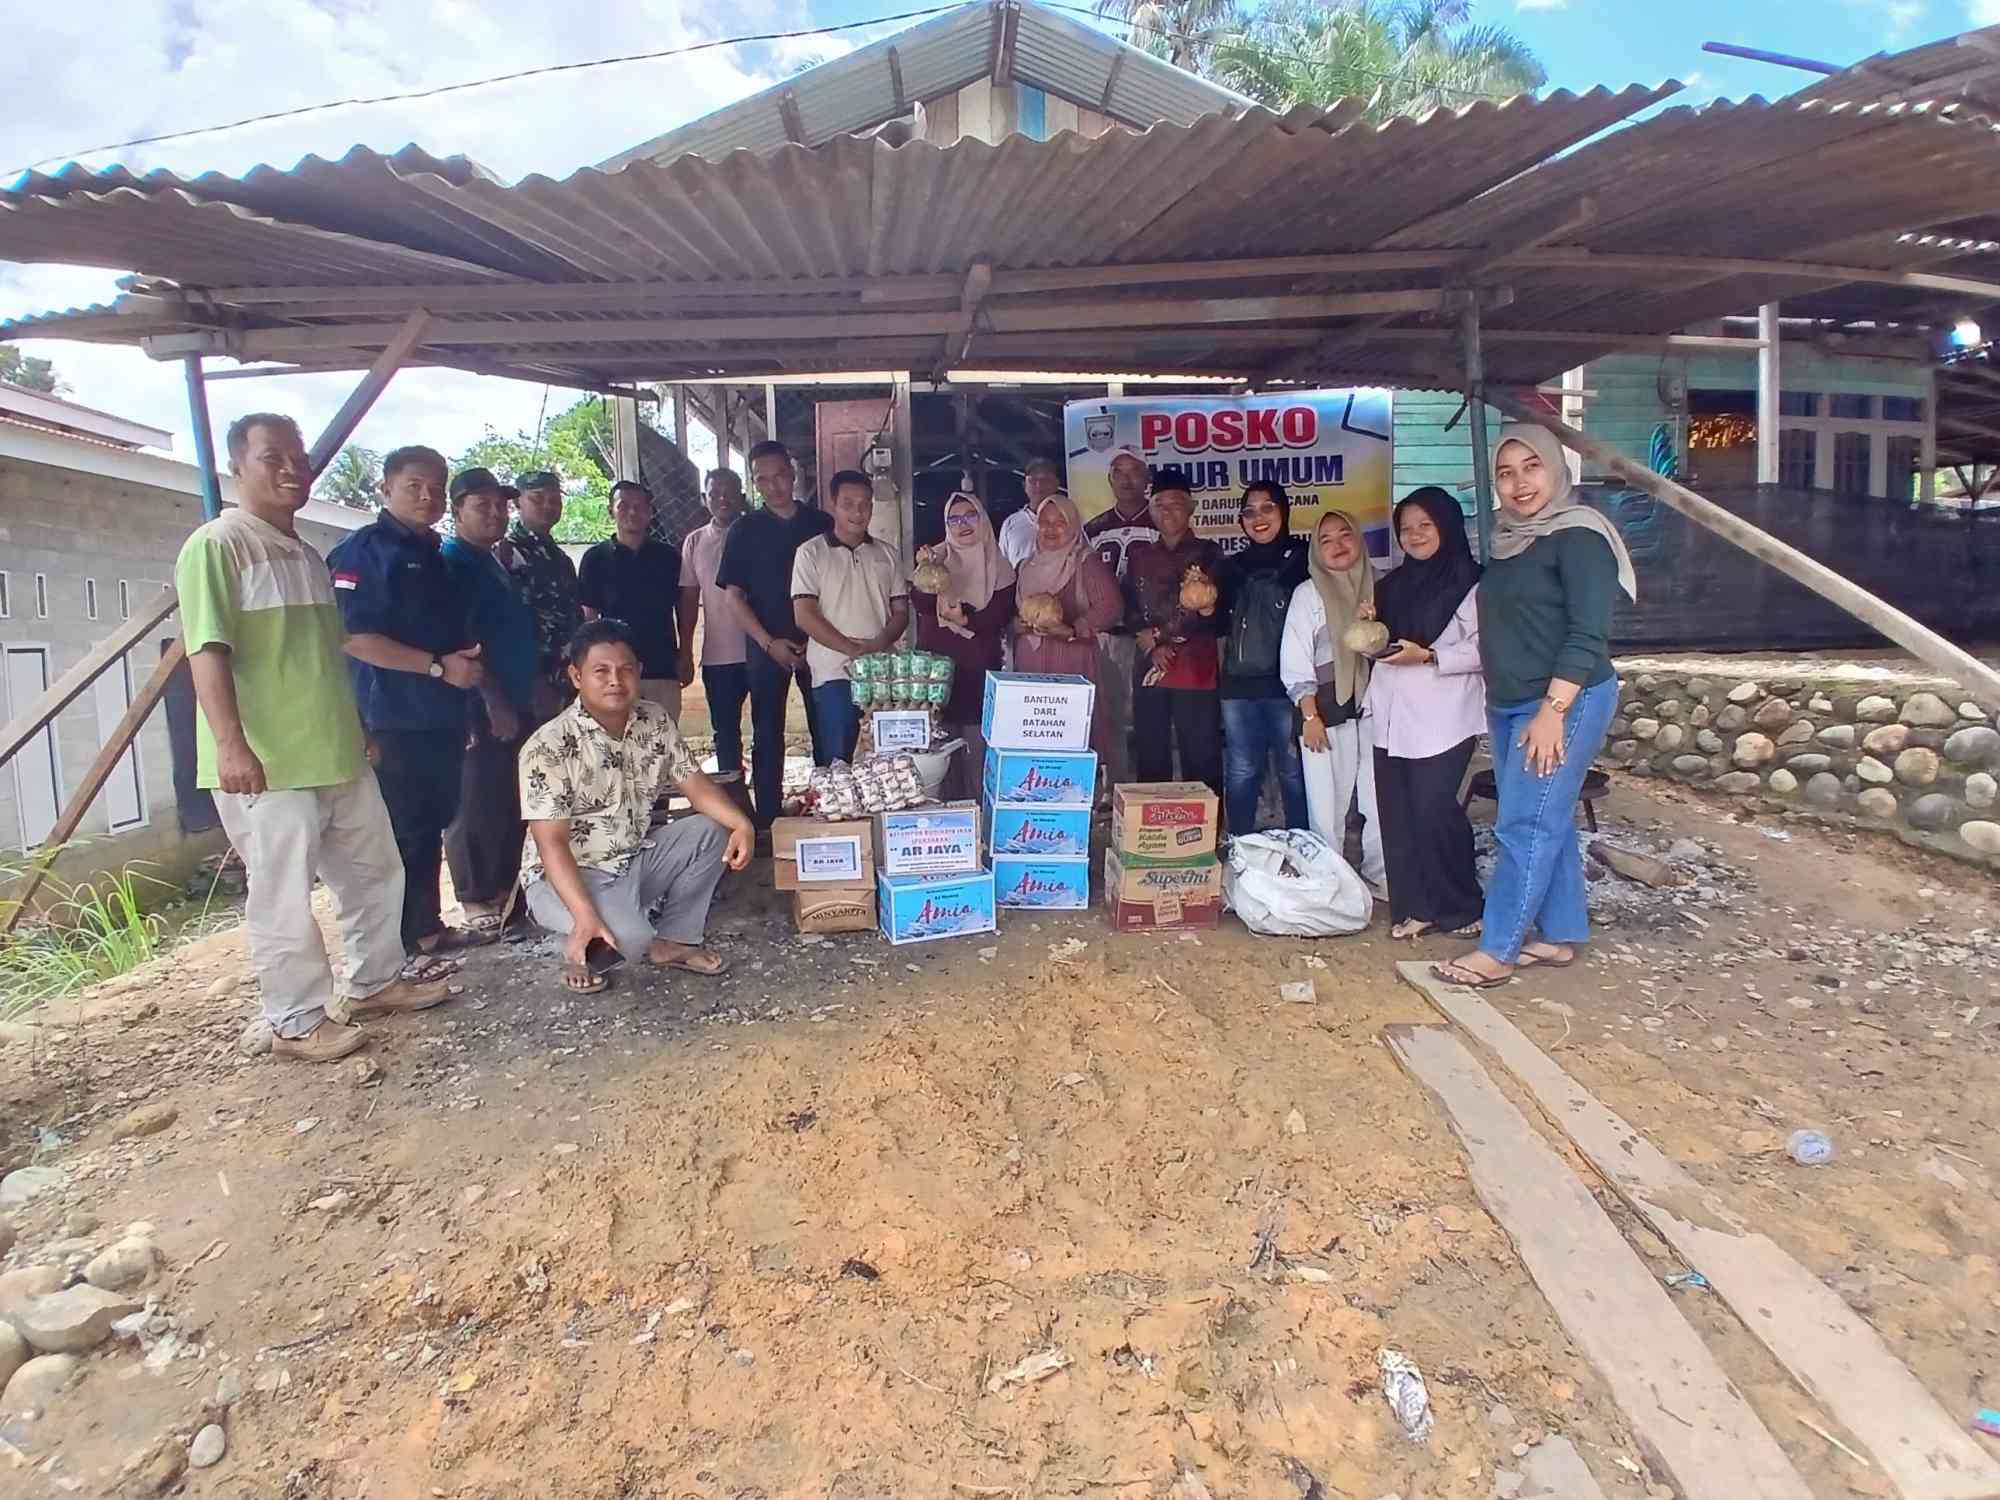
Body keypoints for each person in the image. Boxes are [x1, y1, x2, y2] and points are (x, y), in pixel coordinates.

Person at [177, 414, 449, 1063]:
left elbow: (326, 657)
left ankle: (375, 981)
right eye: (273, 456)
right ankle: (295, 1018)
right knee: (283, 892)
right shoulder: (218, 546)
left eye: (297, 455)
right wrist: (231, 745)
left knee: (375, 870)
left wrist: (354, 727)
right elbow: (206, 652)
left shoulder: (303, 553)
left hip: (333, 748)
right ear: (236, 467)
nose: (292, 467)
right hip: (269, 762)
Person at [1433, 425, 1636, 988]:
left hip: (1560, 700)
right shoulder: (1510, 538)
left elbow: (1587, 633)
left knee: (1523, 824)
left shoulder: (1580, 537)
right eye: (1506, 472)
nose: (1519, 483)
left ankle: (1498, 949)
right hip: (1511, 701)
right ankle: (1559, 934)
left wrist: (1554, 710)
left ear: (1555, 468)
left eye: (1532, 467)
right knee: (1550, 820)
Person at [520, 620, 755, 994]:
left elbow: (696, 786)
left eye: (625, 669)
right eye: (601, 671)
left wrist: (743, 825)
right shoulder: (547, 747)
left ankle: (675, 940)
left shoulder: (654, 720)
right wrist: (584, 916)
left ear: (639, 673)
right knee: (627, 942)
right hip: (569, 876)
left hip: (633, 859)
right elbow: (552, 845)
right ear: (576, 676)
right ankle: (573, 940)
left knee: (714, 829)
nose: (615, 679)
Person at [328, 444, 490, 975]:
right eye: (413, 485)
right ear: (385, 489)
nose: (427, 496)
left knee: (431, 823)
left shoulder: (436, 556)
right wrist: (438, 668)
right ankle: (394, 950)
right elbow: (354, 639)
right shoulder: (364, 553)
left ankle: (425, 929)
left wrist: (458, 696)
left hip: (438, 715)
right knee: (398, 832)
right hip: (391, 717)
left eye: (436, 487)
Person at [1367, 488, 1486, 940]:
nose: (1414, 535)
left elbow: (1484, 648)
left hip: (1445, 714)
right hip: (1392, 713)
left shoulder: (1473, 581)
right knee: (1397, 812)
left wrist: (1432, 656)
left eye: (1425, 525)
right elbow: (1381, 642)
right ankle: (1416, 907)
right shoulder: (1391, 584)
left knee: (1434, 809)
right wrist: (1370, 630)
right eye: (1406, 528)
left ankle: (1460, 904)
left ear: (1447, 526)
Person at [441, 468, 539, 934]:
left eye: (501, 506)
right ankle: (477, 895)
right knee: (475, 799)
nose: (496, 514)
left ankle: (504, 890)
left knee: (507, 798)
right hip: (480, 705)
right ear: (456, 511)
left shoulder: (492, 560)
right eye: (482, 506)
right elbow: (465, 639)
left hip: (516, 699)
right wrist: (493, 699)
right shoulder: (454, 562)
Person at [717, 440, 833, 827]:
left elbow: (837, 586)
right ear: (755, 484)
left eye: (780, 475)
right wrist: (768, 643)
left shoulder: (821, 525)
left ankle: (830, 809)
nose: (774, 485)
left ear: (793, 474)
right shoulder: (744, 531)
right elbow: (734, 597)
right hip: (767, 646)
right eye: (762, 479)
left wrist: (821, 638)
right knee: (767, 732)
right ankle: (768, 821)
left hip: (821, 642)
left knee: (826, 728)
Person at [1280, 510, 1387, 895]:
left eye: (1345, 535)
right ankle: (1332, 881)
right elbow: (1294, 663)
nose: (1338, 545)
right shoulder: (1308, 595)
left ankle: (1380, 876)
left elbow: (1397, 652)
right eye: (1326, 540)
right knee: (1327, 804)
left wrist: (1375, 628)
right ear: (1316, 550)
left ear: (1359, 540)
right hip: (1324, 713)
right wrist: (1309, 714)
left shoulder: (1381, 588)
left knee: (1380, 800)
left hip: (1378, 712)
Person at [791, 468, 910, 764]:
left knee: (888, 763)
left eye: (865, 504)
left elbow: (900, 612)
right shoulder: (811, 553)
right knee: (839, 763)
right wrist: (851, 649)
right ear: (833, 504)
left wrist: (878, 643)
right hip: (834, 673)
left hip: (882, 674)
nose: (858, 512)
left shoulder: (887, 554)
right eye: (848, 504)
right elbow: (803, 615)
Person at [1121, 467, 1224, 796]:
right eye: (1160, 504)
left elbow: (1204, 606)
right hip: (1151, 665)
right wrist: (1151, 645)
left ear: (1191, 508)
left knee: (1201, 753)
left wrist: (1160, 637)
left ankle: (1208, 832)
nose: (1168, 511)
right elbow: (1128, 606)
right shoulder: (1138, 557)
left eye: (1177, 503)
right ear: (1150, 511)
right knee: (1150, 750)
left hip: (1194, 667)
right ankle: (1155, 835)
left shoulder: (1210, 553)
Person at [1214, 480, 1309, 834]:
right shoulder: (1230, 567)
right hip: (1239, 688)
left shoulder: (1305, 560)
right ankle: (1241, 845)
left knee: (1293, 769)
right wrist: (1204, 604)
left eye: (1267, 508)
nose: (1259, 518)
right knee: (1241, 770)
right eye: (1249, 511)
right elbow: (1215, 623)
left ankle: (1302, 845)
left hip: (1291, 686)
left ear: (1284, 512)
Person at [913, 491, 1016, 797]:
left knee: (976, 751)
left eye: (970, 516)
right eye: (954, 519)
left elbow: (1000, 614)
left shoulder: (999, 564)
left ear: (982, 519)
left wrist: (966, 621)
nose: (963, 525)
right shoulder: (936, 559)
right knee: (938, 750)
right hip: (935, 672)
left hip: (977, 667)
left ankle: (976, 821)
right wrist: (926, 571)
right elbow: (918, 602)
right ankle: (944, 824)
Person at [1012, 493, 1124, 769]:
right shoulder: (1026, 565)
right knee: (1039, 730)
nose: (1050, 529)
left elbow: (1110, 608)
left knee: (1079, 729)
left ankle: (1091, 795)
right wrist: (1015, 625)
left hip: (1073, 660)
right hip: (1032, 663)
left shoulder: (1086, 561)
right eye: (1044, 522)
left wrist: (1073, 629)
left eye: (1059, 522)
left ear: (1073, 525)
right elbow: (1014, 610)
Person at [578, 480, 693, 719]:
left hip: (661, 665)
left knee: (662, 741)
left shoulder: (668, 557)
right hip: (613, 673)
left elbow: (683, 609)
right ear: (611, 510)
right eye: (624, 506)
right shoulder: (595, 559)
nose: (632, 512)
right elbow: (589, 618)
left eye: (640, 506)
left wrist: (686, 654)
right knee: (616, 744)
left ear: (651, 512)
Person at [1083, 449, 1158, 787]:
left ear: (1147, 477)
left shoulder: (1161, 521)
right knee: (1108, 714)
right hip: (1108, 635)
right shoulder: (1095, 527)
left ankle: (1148, 786)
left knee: (1149, 715)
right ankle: (1114, 786)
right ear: (1109, 480)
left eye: (1134, 472)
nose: (1127, 479)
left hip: (1150, 636)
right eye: (1119, 472)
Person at [680, 468, 751, 782]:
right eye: (715, 493)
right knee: (725, 732)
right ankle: (734, 802)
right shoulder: (695, 542)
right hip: (718, 656)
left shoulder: (758, 534)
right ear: (703, 499)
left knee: (767, 728)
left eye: (730, 491)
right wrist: (685, 651)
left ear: (742, 495)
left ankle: (767, 805)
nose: (723, 498)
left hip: (761, 650)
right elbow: (687, 599)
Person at [504, 469, 583, 720]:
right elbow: (510, 624)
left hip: (567, 677)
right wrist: (536, 680)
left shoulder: (560, 558)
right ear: (517, 503)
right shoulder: (507, 553)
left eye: (554, 500)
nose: (548, 506)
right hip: (530, 683)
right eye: (537, 499)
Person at [998, 457, 1062, 570]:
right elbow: (1002, 568)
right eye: (1032, 480)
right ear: (1024, 485)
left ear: (1056, 484)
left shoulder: (1070, 518)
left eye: (1046, 479)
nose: (1039, 485)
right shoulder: (1010, 524)